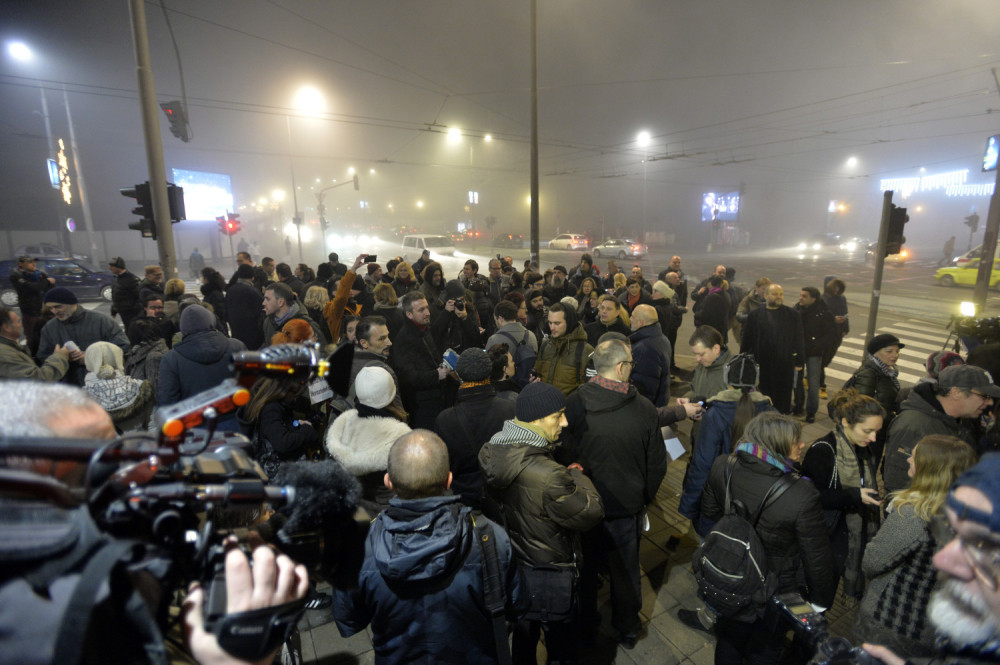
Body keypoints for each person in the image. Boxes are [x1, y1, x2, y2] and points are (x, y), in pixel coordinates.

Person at [333, 430, 527, 663]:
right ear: (448, 480)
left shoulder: (357, 548)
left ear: (388, 482)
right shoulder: (490, 537)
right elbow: (517, 606)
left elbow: (349, 620)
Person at [479, 382, 605, 665]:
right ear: (536, 419)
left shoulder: (495, 447)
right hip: (549, 569)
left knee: (524, 636)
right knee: (561, 643)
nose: (565, 422)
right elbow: (591, 512)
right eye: (558, 415)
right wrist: (577, 476)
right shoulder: (549, 475)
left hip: (517, 565)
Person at [700, 412, 836, 665]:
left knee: (729, 636)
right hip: (775, 587)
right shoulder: (801, 493)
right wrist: (820, 602)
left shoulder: (723, 465)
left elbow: (708, 513)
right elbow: (816, 556)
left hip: (733, 575)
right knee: (766, 647)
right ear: (777, 445)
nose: (802, 445)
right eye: (795, 441)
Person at [563, 339, 666, 648]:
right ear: (621, 367)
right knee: (625, 570)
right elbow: (657, 464)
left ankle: (586, 625)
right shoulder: (644, 409)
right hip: (625, 507)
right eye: (631, 364)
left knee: (585, 568)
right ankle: (628, 627)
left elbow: (564, 451)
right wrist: (642, 497)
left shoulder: (574, 402)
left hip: (585, 504)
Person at [862, 454, 1000, 665]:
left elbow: (872, 561)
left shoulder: (912, 514)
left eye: (984, 546)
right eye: (953, 533)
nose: (942, 560)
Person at [852, 435, 977, 657]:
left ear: (931, 470)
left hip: (892, 624)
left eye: (915, 457)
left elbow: (872, 562)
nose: (909, 459)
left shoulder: (914, 516)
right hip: (934, 628)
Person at [801, 389, 886, 599]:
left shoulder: (862, 448)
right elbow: (810, 496)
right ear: (846, 422)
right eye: (867, 431)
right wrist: (854, 496)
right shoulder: (823, 450)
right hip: (826, 539)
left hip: (847, 536)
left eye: (876, 431)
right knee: (819, 596)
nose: (874, 438)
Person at [679, 354, 774, 537]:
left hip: (718, 506)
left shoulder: (716, 415)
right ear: (756, 380)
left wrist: (689, 506)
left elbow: (702, 465)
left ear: (727, 379)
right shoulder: (770, 413)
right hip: (756, 506)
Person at [883, 364, 998, 494]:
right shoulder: (913, 427)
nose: (990, 402)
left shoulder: (961, 419)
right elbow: (899, 486)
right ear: (956, 393)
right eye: (984, 396)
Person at [434, 348, 516, 509]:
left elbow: (443, 467)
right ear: (489, 372)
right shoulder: (510, 410)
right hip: (504, 496)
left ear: (459, 375)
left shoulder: (445, 420)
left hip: (463, 498)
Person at [326, 366, 412, 516]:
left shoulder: (343, 426)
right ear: (391, 393)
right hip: (389, 515)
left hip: (353, 513)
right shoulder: (401, 437)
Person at [158, 305, 246, 431]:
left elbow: (167, 400)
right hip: (236, 422)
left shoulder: (171, 359)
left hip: (196, 429)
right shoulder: (236, 346)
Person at [36, 287, 130, 387]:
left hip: (104, 385)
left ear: (72, 303)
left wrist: (92, 358)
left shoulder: (101, 321)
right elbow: (43, 356)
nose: (54, 311)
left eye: (58, 307)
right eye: (50, 308)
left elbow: (123, 348)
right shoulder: (49, 328)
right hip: (70, 386)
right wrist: (61, 357)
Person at [391, 292, 454, 429]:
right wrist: (436, 375)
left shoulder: (424, 329)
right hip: (422, 408)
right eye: (421, 310)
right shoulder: (404, 340)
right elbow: (408, 378)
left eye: (427, 308)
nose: (427, 313)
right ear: (409, 314)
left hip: (438, 399)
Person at [740, 283, 804, 414]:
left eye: (781, 294)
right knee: (763, 395)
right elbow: (747, 339)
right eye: (775, 294)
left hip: (784, 364)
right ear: (765, 295)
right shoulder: (755, 315)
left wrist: (799, 361)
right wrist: (743, 360)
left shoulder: (792, 315)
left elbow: (799, 339)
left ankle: (781, 418)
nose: (779, 297)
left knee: (783, 396)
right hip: (762, 363)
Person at [81, 341, 154, 432]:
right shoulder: (140, 388)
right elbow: (152, 424)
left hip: (103, 441)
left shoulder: (82, 398)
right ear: (118, 359)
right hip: (137, 439)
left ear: (89, 361)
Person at [793, 286, 837, 423]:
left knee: (813, 383)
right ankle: (798, 407)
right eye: (801, 295)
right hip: (799, 351)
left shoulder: (824, 313)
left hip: (814, 353)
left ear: (814, 299)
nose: (801, 298)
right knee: (797, 380)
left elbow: (830, 335)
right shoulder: (797, 309)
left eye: (804, 296)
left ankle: (811, 411)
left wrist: (818, 346)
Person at [535, 301, 594, 396]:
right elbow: (538, 372)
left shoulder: (586, 350)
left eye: (557, 323)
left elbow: (590, 388)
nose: (552, 328)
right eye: (550, 323)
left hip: (570, 404)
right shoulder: (545, 345)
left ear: (569, 322)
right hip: (545, 402)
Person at [0, 304, 69, 381]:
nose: (21, 325)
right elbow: (39, 379)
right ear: (6, 327)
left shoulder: (9, 349)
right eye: (18, 322)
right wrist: (60, 356)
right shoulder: (5, 355)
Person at [628, 303, 672, 407]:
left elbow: (645, 387)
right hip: (660, 401)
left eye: (633, 316)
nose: (630, 319)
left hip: (648, 407)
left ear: (641, 323)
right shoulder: (662, 339)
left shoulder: (645, 348)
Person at [261, 282, 326, 346]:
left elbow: (321, 348)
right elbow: (267, 345)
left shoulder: (306, 324)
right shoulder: (268, 322)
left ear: (281, 302)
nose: (263, 303)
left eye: (268, 299)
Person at [820, 277, 848, 400]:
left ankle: (809, 377)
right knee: (821, 362)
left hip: (837, 334)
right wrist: (833, 320)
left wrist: (845, 328)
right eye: (834, 287)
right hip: (825, 335)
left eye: (838, 287)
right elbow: (821, 318)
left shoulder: (842, 299)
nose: (836, 290)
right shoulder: (822, 299)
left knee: (827, 360)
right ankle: (821, 386)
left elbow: (845, 312)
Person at [225, 263, 264, 350]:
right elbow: (262, 310)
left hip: (236, 333)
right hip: (253, 335)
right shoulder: (253, 291)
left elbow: (226, 312)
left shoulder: (230, 291)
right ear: (252, 277)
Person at [107, 256, 142, 332]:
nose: (110, 268)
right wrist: (114, 310)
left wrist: (135, 312)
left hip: (132, 314)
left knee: (133, 332)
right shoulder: (116, 278)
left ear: (118, 267)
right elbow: (116, 295)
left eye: (112, 266)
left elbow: (140, 297)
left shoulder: (131, 279)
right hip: (123, 313)